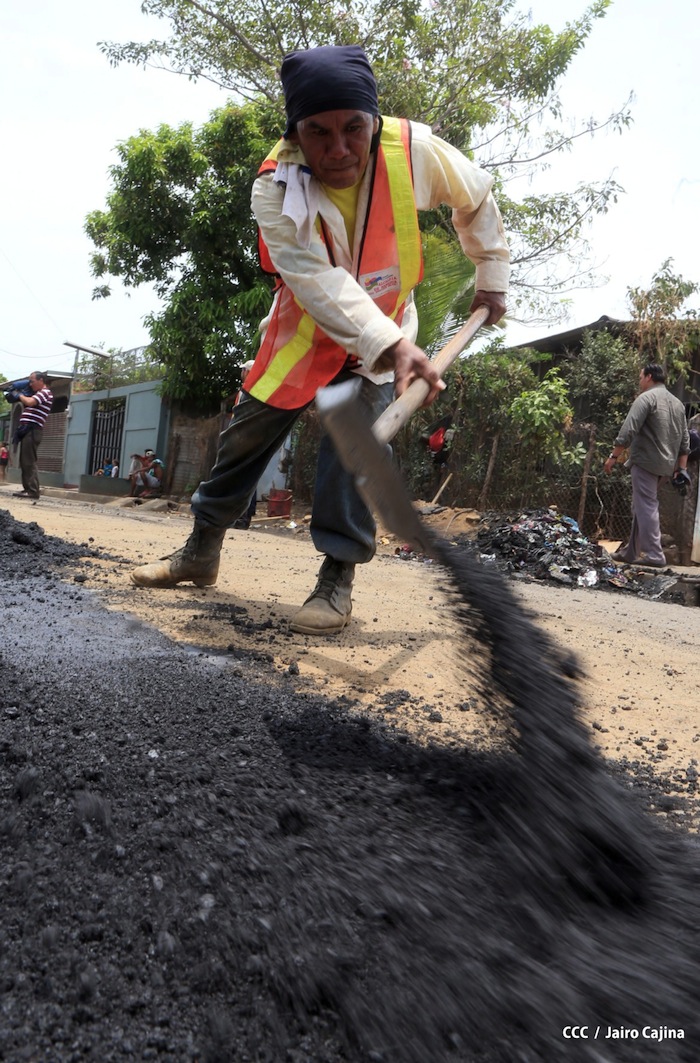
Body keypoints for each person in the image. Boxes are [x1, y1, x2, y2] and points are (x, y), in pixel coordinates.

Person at [131, 44, 509, 634]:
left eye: (353, 128)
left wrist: (491, 277)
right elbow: (314, 280)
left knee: (353, 449)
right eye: (318, 132)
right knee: (244, 441)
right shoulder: (274, 187)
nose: (338, 149)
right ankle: (200, 550)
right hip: (306, 327)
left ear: (373, 122)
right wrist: (392, 346)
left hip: (385, 328)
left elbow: (476, 197)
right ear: (294, 133)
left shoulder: (414, 152)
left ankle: (336, 581)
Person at [604, 363, 690, 567]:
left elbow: (628, 430)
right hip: (667, 466)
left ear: (649, 377)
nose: (640, 380)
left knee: (647, 505)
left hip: (646, 462)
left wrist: (613, 456)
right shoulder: (677, 404)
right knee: (641, 505)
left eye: (641, 377)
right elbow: (685, 440)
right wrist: (681, 468)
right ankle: (631, 552)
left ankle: (654, 554)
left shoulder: (646, 398)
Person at [12, 371, 53, 501]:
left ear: (41, 380)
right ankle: (27, 489)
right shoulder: (37, 393)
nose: (30, 384)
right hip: (27, 430)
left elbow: (30, 402)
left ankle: (33, 491)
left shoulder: (45, 392)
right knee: (24, 461)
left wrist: (19, 395)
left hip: (33, 430)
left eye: (32, 381)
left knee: (29, 461)